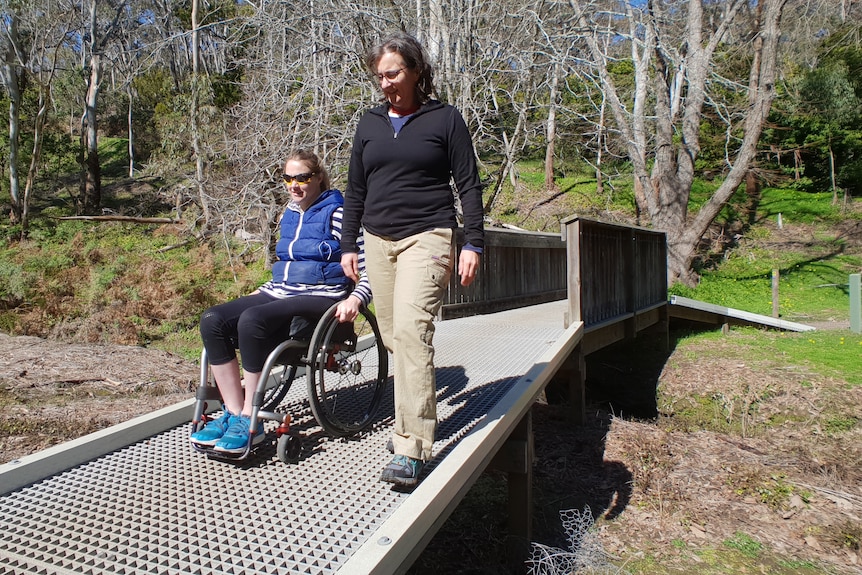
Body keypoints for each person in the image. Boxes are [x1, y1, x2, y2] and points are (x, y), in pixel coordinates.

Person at [340, 32, 485, 487]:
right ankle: (414, 418)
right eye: (379, 76)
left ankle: (412, 445)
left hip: (428, 236)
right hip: (378, 242)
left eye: (394, 73)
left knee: (410, 329)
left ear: (417, 70)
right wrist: (349, 244)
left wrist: (474, 242)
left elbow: (469, 184)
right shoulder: (369, 123)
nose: (385, 83)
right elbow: (355, 189)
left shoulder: (445, 120)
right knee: (393, 338)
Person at [191, 149, 371, 453]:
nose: (294, 185)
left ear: (318, 178)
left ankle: (252, 418)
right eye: (288, 178)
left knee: (252, 320)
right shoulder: (288, 214)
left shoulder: (337, 212)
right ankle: (234, 412)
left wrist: (357, 298)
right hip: (280, 291)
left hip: (322, 295)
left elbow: (368, 266)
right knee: (213, 320)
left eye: (302, 177)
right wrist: (263, 289)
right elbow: (288, 264)